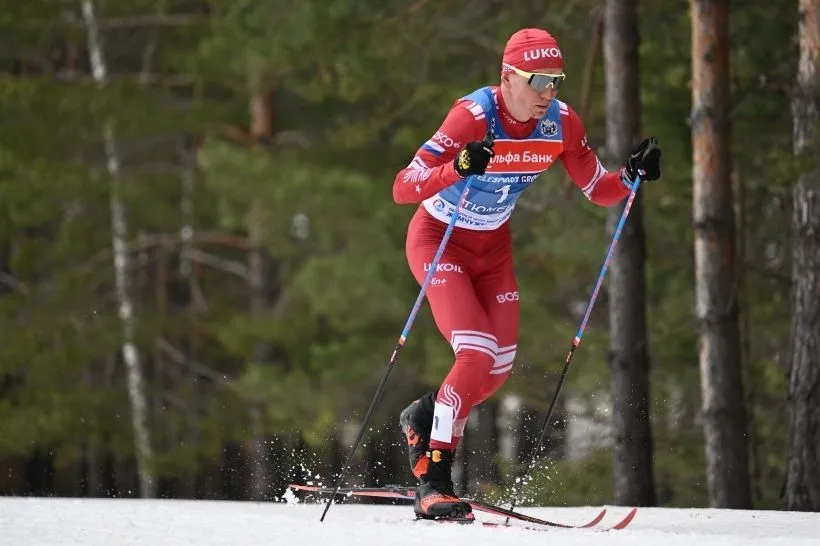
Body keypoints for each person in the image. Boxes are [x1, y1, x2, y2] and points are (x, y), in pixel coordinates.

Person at [392, 28, 661, 521]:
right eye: (538, 80)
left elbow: (597, 189)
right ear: (508, 77)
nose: (548, 92)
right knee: (474, 355)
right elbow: (403, 186)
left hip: (493, 250)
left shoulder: (561, 124)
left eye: (556, 81)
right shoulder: (473, 115)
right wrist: (457, 166)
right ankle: (432, 482)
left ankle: (425, 415)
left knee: (492, 374)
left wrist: (630, 175)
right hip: (440, 236)